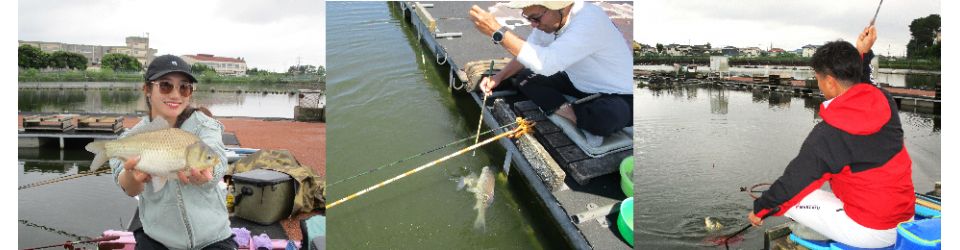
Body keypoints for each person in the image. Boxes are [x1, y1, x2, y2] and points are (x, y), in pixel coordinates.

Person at [748, 25, 914, 248]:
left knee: (793, 201)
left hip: (873, 232)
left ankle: (810, 235)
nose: (818, 84)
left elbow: (794, 181)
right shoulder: (885, 102)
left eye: (817, 78)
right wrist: (862, 54)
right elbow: (865, 86)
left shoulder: (829, 134)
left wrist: (760, 210)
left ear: (829, 82)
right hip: (906, 220)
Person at [110, 55, 236, 249]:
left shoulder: (206, 125)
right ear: (147, 89)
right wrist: (132, 176)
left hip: (213, 238)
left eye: (184, 87)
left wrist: (206, 176)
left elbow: (217, 161)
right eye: (166, 86)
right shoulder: (132, 137)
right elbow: (128, 187)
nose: (176, 95)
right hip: (157, 239)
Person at [468, 1, 632, 138]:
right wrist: (499, 77)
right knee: (525, 78)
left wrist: (498, 32)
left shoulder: (590, 20)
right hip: (579, 80)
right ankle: (572, 114)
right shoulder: (550, 23)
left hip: (619, 91)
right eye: (529, 18)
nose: (533, 24)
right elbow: (532, 50)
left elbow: (544, 64)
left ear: (559, 6)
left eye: (536, 18)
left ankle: (579, 115)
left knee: (604, 119)